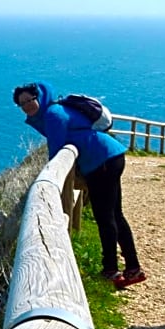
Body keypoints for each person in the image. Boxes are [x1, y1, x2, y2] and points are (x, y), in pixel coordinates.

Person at [13, 82, 146, 289]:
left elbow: (56, 150)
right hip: (109, 156)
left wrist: (53, 174)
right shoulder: (54, 111)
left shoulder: (53, 114)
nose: (27, 105)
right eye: (22, 104)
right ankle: (132, 268)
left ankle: (111, 270)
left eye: (30, 99)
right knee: (114, 215)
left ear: (40, 97)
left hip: (101, 162)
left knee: (106, 217)